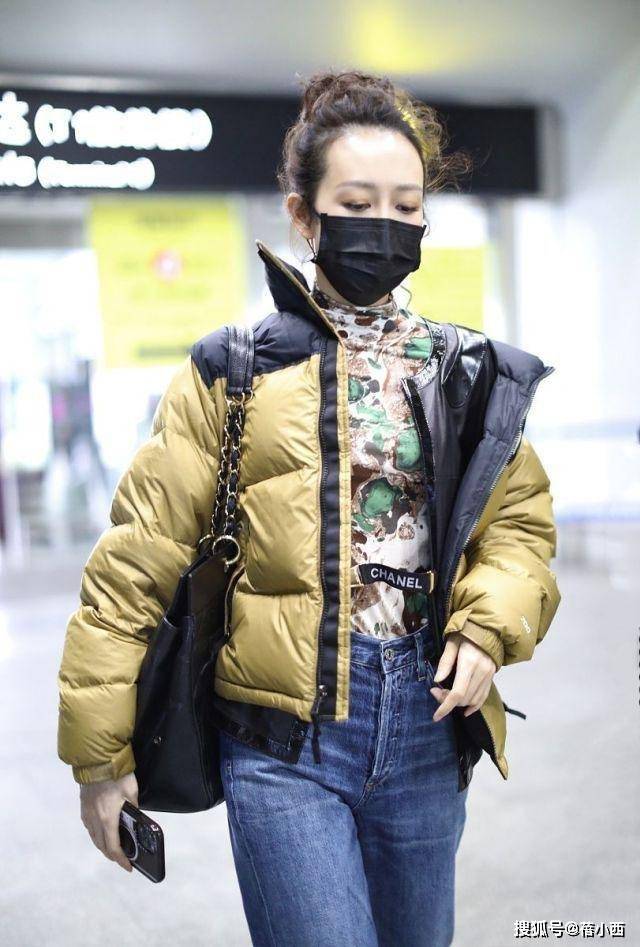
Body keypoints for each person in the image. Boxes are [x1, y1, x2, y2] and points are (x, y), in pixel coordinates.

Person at [57, 69, 561, 947]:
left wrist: (487, 629)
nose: (385, 224)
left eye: (407, 206)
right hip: (282, 742)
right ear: (303, 214)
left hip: (428, 727)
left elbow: (520, 526)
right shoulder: (233, 369)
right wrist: (99, 758)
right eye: (358, 203)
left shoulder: (468, 371)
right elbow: (136, 560)